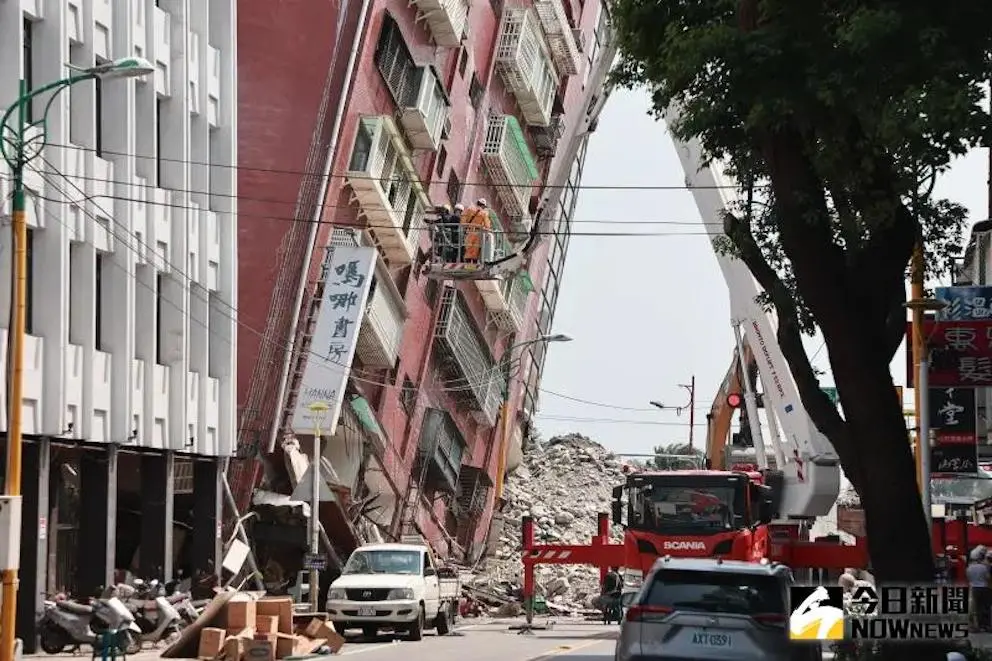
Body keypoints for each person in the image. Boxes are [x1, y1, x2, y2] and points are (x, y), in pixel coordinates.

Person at [460, 198, 492, 263]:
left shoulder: (469, 209)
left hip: (469, 232)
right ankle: (473, 262)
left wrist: (465, 227)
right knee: (475, 249)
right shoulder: (484, 213)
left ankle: (467, 261)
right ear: (483, 206)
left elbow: (463, 220)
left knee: (468, 247)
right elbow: (487, 226)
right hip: (477, 233)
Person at [968, 546, 990, 631]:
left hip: (974, 588)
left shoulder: (969, 568)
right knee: (984, 606)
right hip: (984, 588)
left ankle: (974, 625)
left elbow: (969, 578)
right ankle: (985, 625)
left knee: (974, 607)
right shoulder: (984, 567)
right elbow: (987, 578)